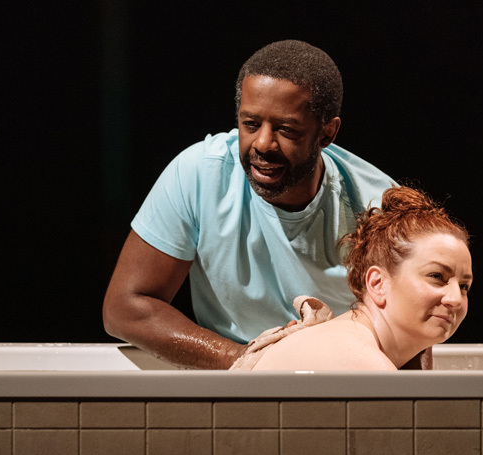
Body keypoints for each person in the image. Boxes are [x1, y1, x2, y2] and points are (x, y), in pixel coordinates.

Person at [102, 40, 396, 369]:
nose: (263, 143)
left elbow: (410, 331)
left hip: (343, 387)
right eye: (250, 124)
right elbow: (124, 308)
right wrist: (250, 360)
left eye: (286, 129)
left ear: (327, 133)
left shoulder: (380, 205)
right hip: (230, 381)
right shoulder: (199, 173)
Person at [230, 186, 472, 370]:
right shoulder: (363, 365)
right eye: (437, 276)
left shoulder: (348, 341)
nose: (456, 299)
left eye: (464, 286)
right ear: (378, 284)